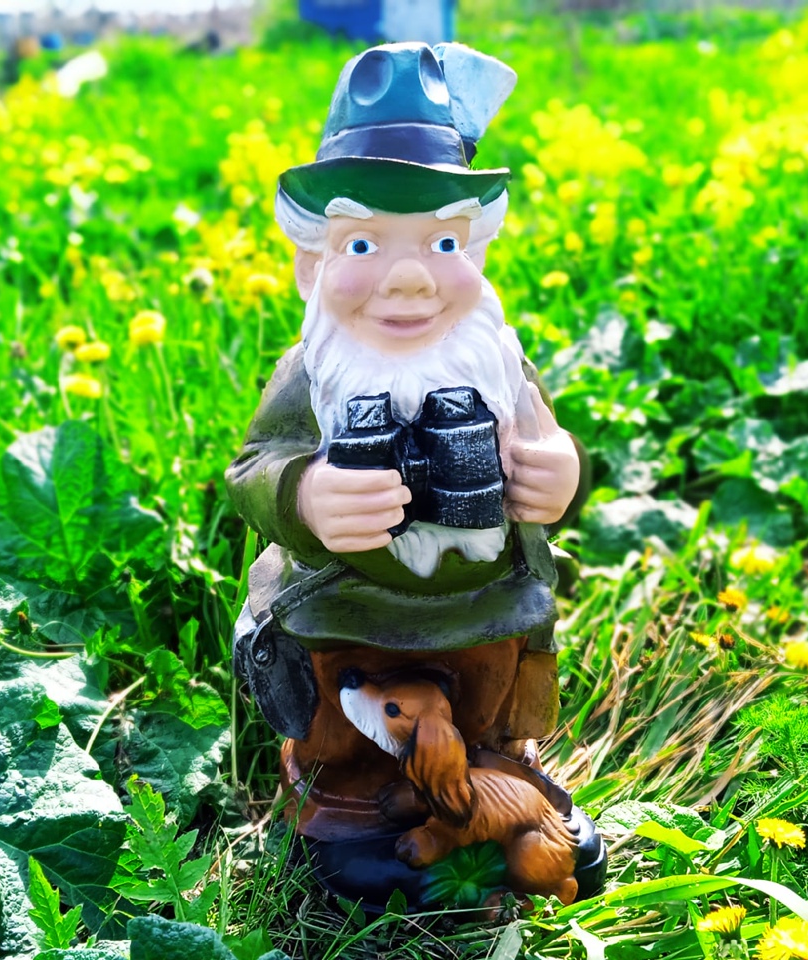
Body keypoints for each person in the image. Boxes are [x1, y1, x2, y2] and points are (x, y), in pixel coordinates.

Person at [227, 41, 603, 907]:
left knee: (489, 693)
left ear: (476, 249)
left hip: (483, 603)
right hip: (351, 607)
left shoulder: (495, 363)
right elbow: (252, 469)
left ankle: (498, 776)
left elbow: (549, 443)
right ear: (313, 263)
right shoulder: (313, 375)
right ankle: (348, 800)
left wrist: (559, 475)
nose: (407, 281)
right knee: (348, 716)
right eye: (364, 242)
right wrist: (306, 495)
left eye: (441, 242)